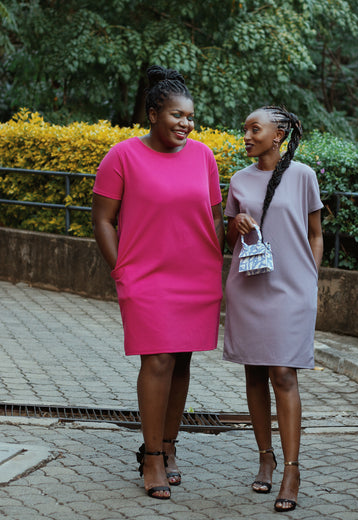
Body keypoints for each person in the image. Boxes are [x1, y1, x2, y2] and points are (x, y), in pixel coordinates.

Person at [91, 65, 224, 500]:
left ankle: (169, 448)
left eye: (190, 117)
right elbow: (103, 221)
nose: (186, 124)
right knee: (158, 361)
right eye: (176, 116)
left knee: (181, 361)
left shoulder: (204, 156)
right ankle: (150, 456)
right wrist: (122, 269)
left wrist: (216, 257)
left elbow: (216, 214)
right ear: (153, 114)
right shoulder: (121, 156)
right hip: (145, 276)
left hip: (196, 275)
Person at [223, 105, 323, 512]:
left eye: (254, 129)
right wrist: (238, 223)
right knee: (254, 371)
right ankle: (265, 457)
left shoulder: (303, 176)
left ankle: (292, 470)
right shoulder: (238, 180)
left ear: (278, 134)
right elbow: (228, 239)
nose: (246, 136)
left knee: (283, 373)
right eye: (245, 129)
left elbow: (316, 233)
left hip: (292, 290)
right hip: (249, 288)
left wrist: (310, 279)